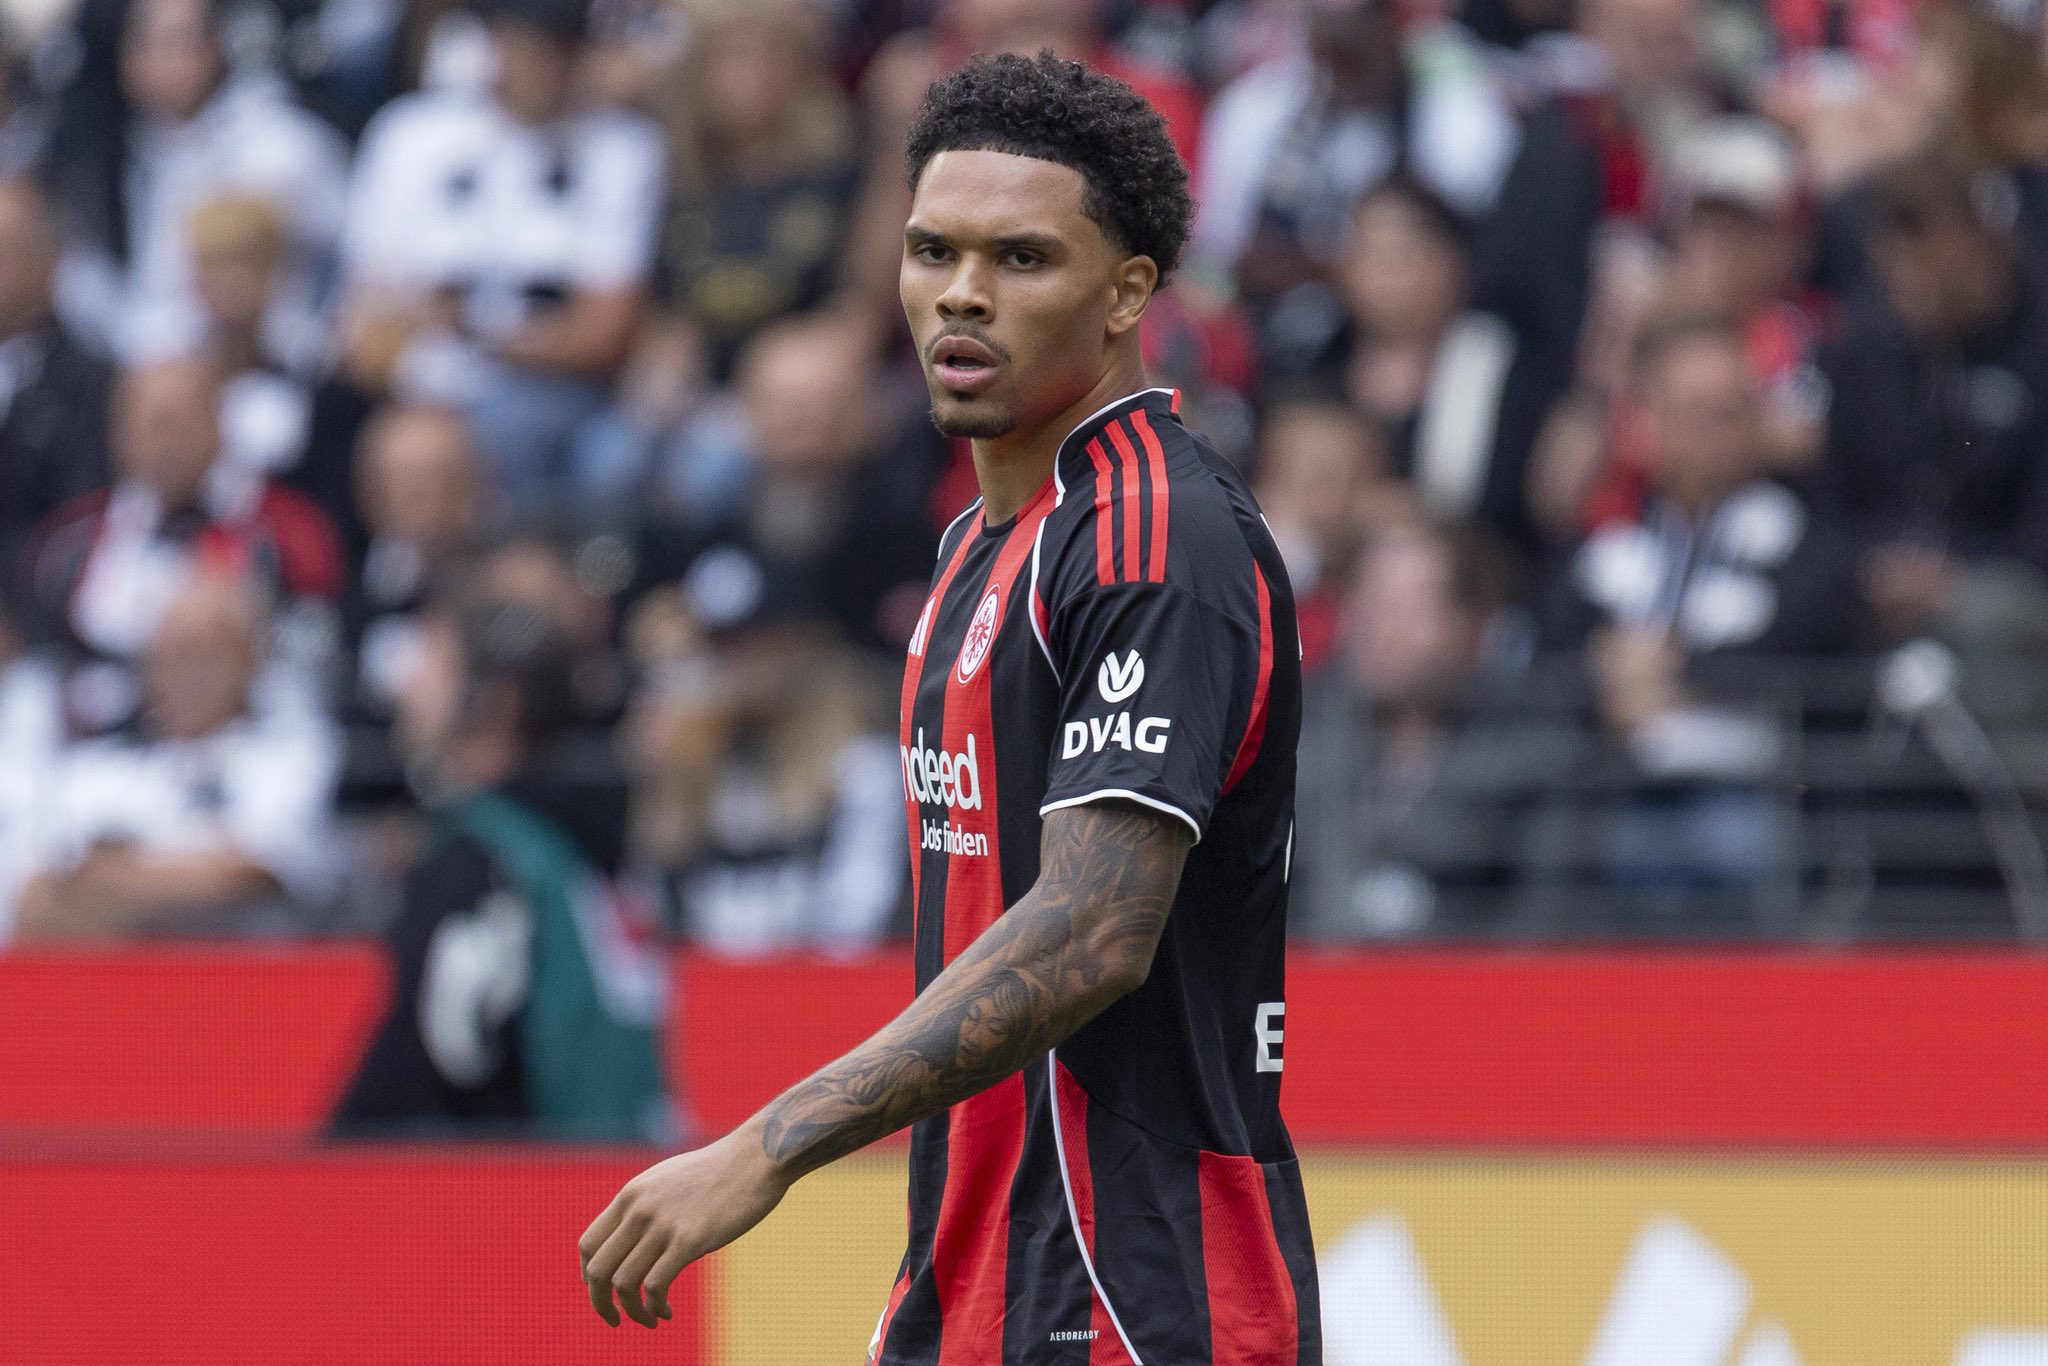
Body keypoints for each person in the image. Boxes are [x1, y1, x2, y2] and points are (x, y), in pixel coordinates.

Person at [578, 52, 1321, 1360]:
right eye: (932, 251)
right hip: (976, 1278)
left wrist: (765, 1144)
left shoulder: (1155, 536)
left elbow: (1094, 928)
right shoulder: (982, 542)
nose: (961, 294)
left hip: (1134, 1293)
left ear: (1126, 291)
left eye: (1021, 258)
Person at [332, 590, 672, 1140]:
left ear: (495, 704)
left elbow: (423, 1075)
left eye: (433, 665)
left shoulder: (482, 863)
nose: (405, 688)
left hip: (522, 1178)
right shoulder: (593, 847)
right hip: (625, 1162)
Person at [12, 569, 343, 939]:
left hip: (248, 972)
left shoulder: (289, 755)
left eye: (202, 653)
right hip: (113, 974)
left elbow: (241, 878)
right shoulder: (95, 768)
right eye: (167, 655)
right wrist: (176, 882)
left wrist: (103, 877)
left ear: (249, 660)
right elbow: (35, 899)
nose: (184, 674)